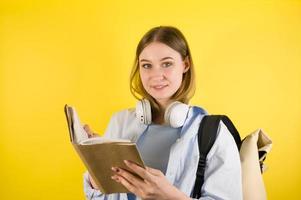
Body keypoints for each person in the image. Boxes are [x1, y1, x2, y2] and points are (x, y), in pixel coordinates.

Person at [83, 26, 242, 200]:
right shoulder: (119, 122)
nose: (156, 75)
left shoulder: (213, 132)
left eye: (167, 64)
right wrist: (95, 168)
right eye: (146, 65)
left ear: (185, 65)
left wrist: (170, 197)